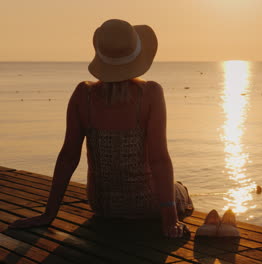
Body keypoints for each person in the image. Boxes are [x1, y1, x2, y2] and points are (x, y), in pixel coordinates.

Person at [9, 19, 193, 238]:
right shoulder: (150, 93)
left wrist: (49, 214)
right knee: (181, 190)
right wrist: (170, 221)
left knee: (171, 185)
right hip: (146, 204)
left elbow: (68, 157)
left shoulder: (82, 95)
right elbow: (159, 160)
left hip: (102, 205)